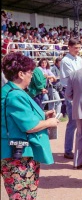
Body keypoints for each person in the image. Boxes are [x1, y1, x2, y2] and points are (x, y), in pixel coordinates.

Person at [1, 52, 59, 199]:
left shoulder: (13, 91)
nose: (32, 76)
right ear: (21, 74)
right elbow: (28, 126)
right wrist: (49, 122)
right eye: (30, 72)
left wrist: (44, 115)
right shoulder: (15, 94)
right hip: (17, 155)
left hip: (19, 153)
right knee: (22, 196)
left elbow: (19, 118)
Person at [60, 38, 82, 159]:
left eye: (79, 48)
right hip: (70, 91)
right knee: (73, 122)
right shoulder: (65, 60)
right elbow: (73, 76)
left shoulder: (79, 59)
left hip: (79, 91)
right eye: (75, 48)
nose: (78, 50)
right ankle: (67, 150)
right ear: (69, 47)